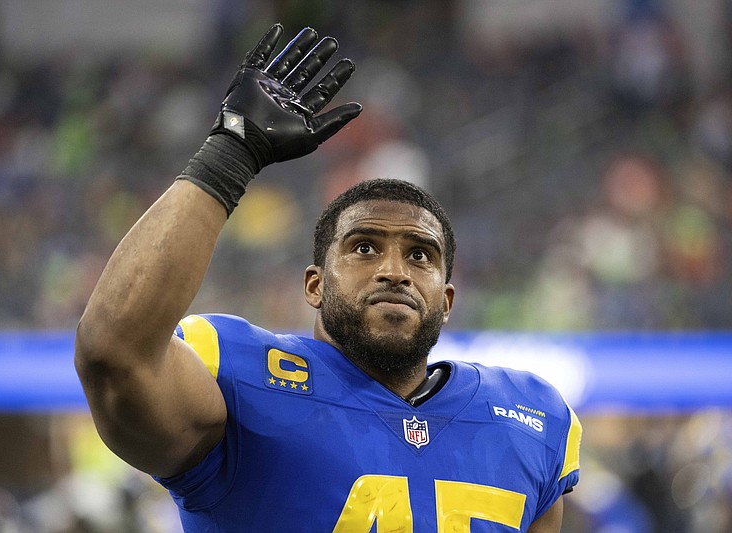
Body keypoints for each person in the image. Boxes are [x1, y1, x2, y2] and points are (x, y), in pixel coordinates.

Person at [74, 23, 581, 532]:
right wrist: (230, 153)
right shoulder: (238, 379)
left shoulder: (534, 419)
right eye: (364, 247)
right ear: (315, 284)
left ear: (447, 299)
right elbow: (113, 352)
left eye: (420, 255)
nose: (393, 271)